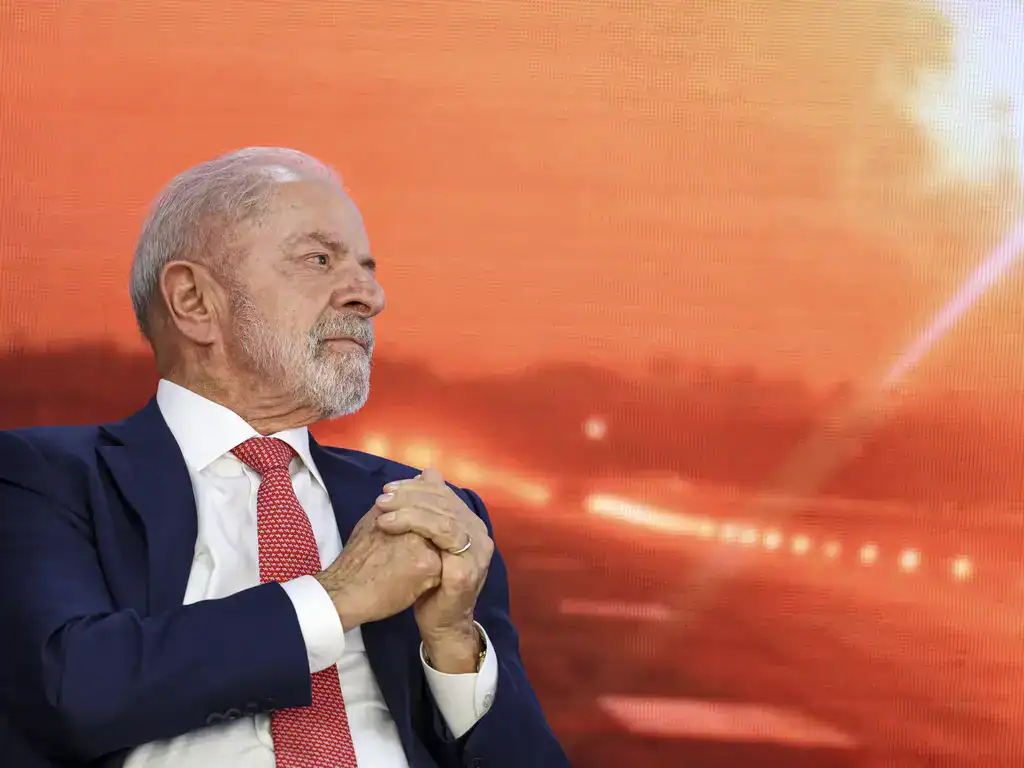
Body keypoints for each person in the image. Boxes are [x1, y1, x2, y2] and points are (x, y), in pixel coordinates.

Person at [0, 148, 570, 768]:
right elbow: (68, 690)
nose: (370, 295)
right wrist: (337, 597)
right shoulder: (43, 477)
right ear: (193, 301)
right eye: (319, 260)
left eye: (367, 269)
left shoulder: (427, 511)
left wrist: (455, 645)